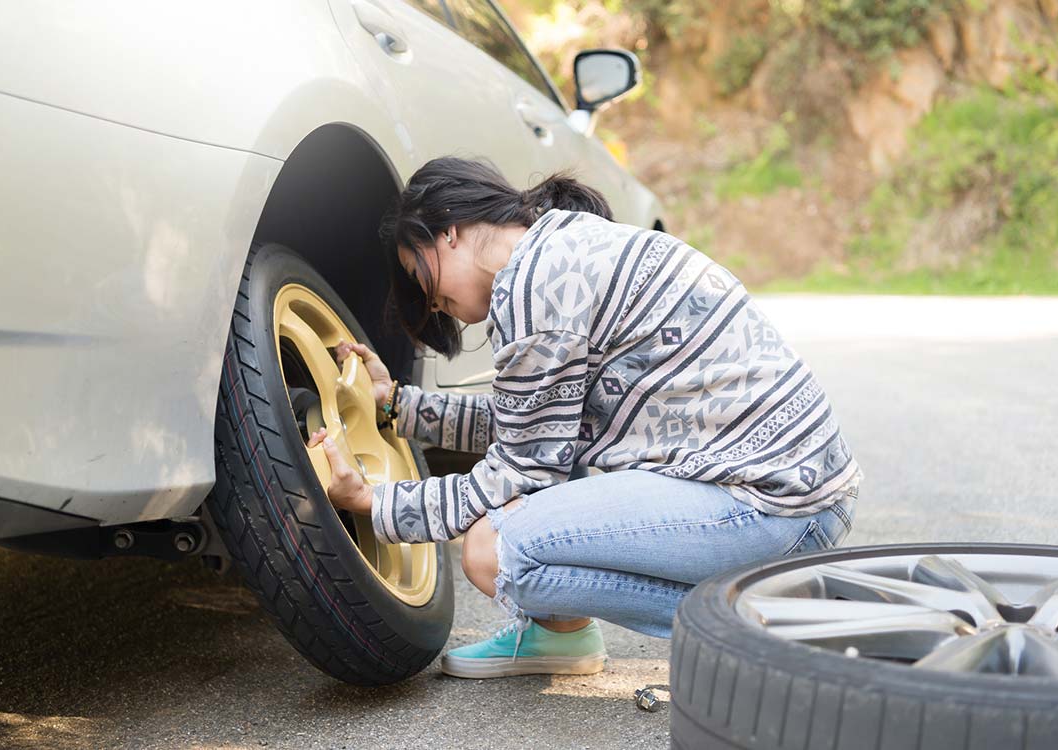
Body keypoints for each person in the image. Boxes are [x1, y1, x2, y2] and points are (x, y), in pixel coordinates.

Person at [304, 156, 862, 679]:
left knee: (495, 550)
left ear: (446, 231)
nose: (428, 303)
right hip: (799, 494)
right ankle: (562, 636)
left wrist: (376, 503)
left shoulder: (532, 288)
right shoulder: (559, 246)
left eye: (416, 271)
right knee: (519, 515)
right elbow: (534, 426)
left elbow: (522, 471)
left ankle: (769, 621)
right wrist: (398, 405)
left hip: (769, 508)